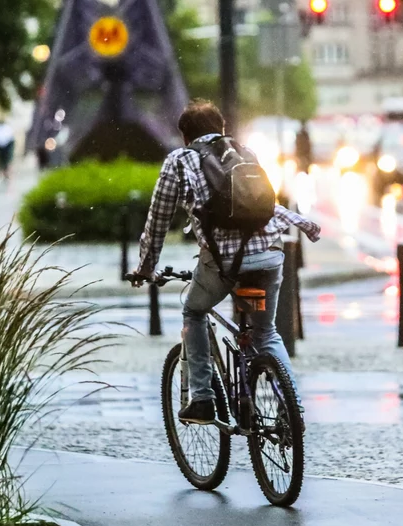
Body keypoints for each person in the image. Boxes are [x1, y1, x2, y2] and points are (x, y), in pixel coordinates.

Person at [130, 99, 320, 425]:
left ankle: (202, 399)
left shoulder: (180, 160)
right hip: (269, 255)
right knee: (266, 333)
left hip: (223, 261)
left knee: (194, 310)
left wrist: (146, 267)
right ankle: (292, 411)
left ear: (185, 137)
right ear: (221, 129)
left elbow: (158, 221)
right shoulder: (245, 154)